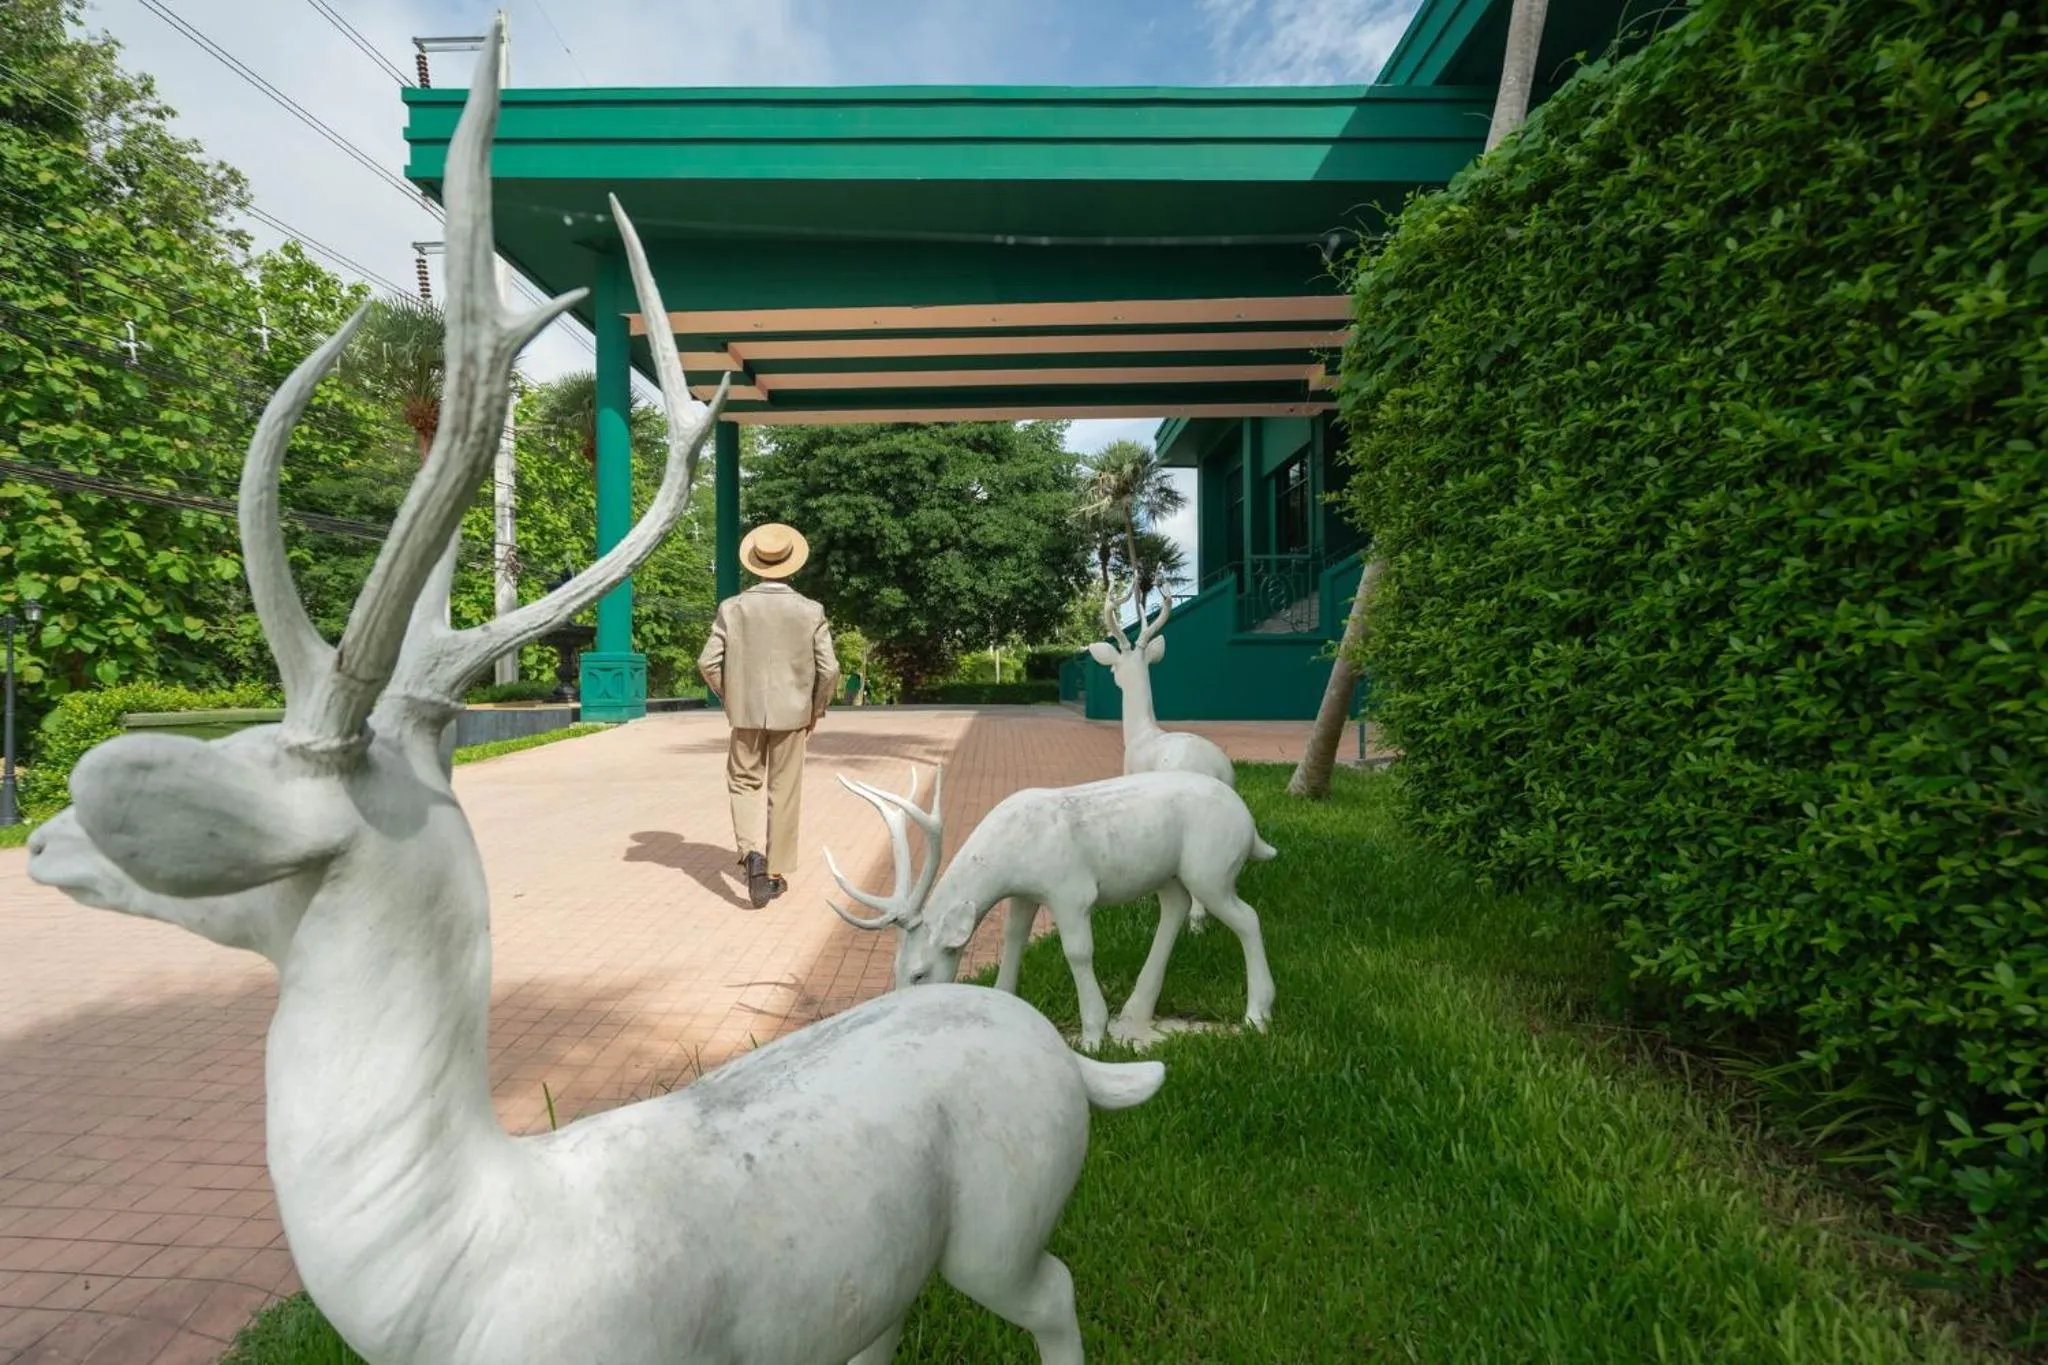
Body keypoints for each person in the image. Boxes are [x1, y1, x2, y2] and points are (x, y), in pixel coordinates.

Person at [697, 523, 840, 908]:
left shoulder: (733, 608)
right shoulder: (810, 611)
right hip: (793, 714)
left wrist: (733, 697)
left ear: (755, 563)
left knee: (743, 783)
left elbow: (707, 662)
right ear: (791, 565)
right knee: (784, 790)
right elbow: (829, 670)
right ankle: (774, 873)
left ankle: (750, 855)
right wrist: (816, 710)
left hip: (744, 715)